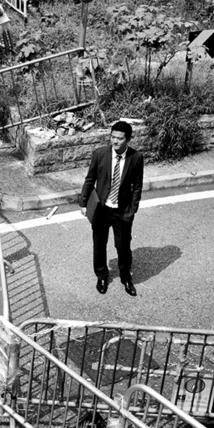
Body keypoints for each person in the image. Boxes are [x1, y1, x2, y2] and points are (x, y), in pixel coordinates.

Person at [79, 121, 144, 297]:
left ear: (128, 139)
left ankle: (126, 277)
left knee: (123, 247)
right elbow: (90, 179)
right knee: (99, 244)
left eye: (120, 138)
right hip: (101, 208)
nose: (115, 141)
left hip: (122, 211)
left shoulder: (136, 158)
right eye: (113, 137)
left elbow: (137, 186)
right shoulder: (100, 154)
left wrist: (133, 208)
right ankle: (101, 275)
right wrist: (84, 203)